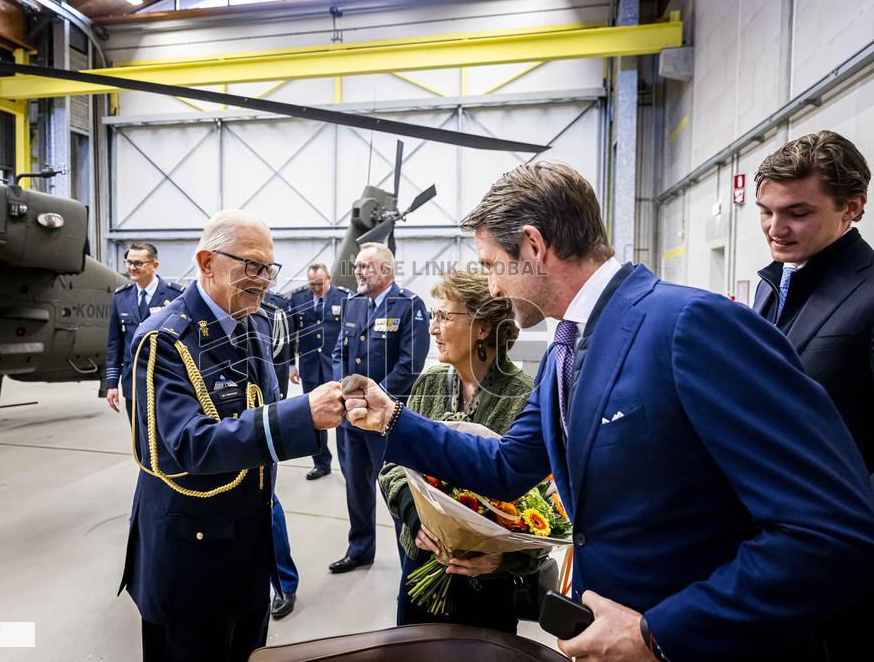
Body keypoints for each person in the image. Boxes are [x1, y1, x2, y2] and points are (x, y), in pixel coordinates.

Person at [343, 162, 874, 661]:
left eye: (490, 266)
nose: (492, 287)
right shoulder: (565, 349)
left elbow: (832, 531)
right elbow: (507, 467)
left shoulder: (689, 325)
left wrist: (657, 634)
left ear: (532, 245)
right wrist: (393, 420)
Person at [118, 210, 346, 662]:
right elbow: (182, 446)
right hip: (191, 557)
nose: (263, 279)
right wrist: (302, 415)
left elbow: (257, 410)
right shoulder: (164, 339)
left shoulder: (255, 323)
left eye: (269, 268)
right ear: (207, 263)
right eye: (252, 265)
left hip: (246, 547)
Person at [753, 131, 874, 661]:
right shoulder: (772, 284)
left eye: (797, 212)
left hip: (842, 569)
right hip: (770, 551)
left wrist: (847, 550)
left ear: (853, 207)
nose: (776, 229)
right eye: (765, 211)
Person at [378, 269, 541, 633]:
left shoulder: (524, 397)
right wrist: (416, 516)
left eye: (444, 317)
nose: (432, 329)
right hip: (420, 563)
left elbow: (543, 504)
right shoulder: (431, 382)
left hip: (485, 584)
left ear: (483, 327)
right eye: (433, 316)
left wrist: (502, 559)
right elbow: (391, 465)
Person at [328, 242, 429, 573]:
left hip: (386, 420)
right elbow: (339, 354)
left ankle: (411, 557)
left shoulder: (409, 305)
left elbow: (409, 364)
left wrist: (374, 399)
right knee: (356, 486)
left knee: (396, 490)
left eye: (365, 266)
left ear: (386, 271)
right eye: (357, 266)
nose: (357, 271)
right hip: (350, 419)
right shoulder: (353, 304)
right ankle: (360, 549)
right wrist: (343, 393)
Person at [104, 242, 182, 417]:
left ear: (155, 265)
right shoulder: (121, 297)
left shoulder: (175, 296)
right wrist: (111, 384)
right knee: (138, 441)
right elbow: (114, 345)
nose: (132, 268)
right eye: (128, 262)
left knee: (164, 440)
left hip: (166, 382)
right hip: (132, 383)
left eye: (138, 263)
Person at [287, 263, 350, 480]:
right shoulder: (297, 298)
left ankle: (348, 466)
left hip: (336, 367)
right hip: (310, 367)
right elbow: (290, 333)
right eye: (312, 284)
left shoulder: (344, 297)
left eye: (319, 283)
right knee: (313, 416)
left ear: (329, 278)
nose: (315, 288)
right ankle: (321, 462)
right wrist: (291, 365)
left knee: (343, 416)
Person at [258, 291, 299, 619]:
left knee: (267, 503)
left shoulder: (268, 314)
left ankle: (284, 583)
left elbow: (278, 359)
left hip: (257, 422)